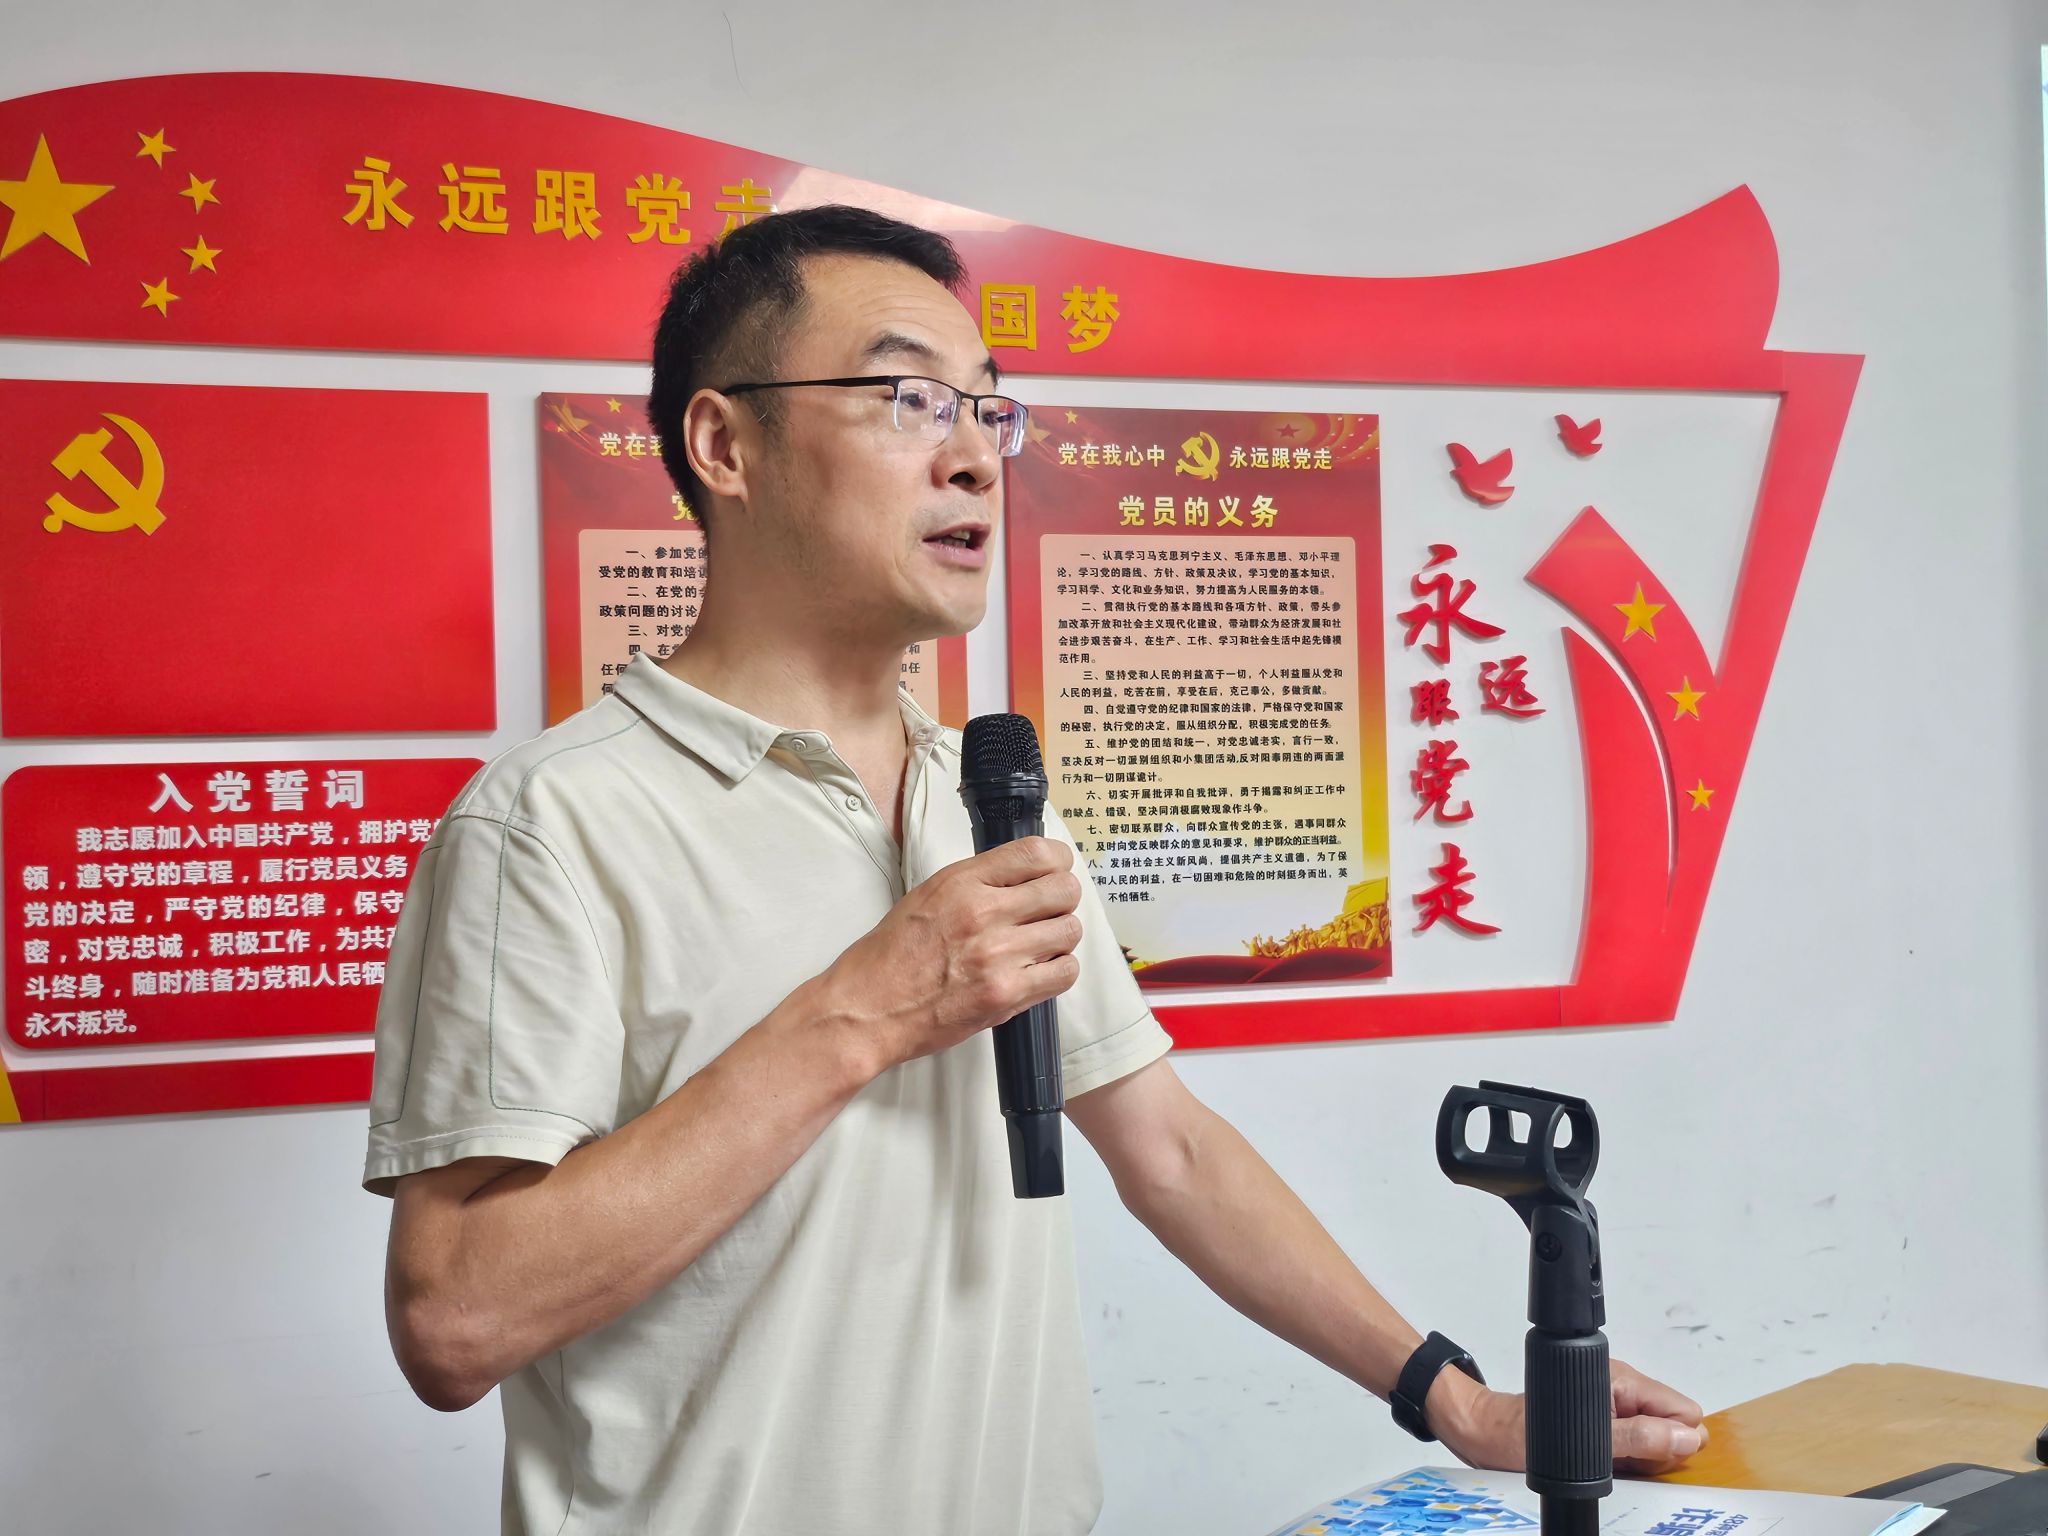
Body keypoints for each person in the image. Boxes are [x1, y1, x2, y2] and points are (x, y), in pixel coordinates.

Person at [362, 204, 1705, 1535]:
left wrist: (1459, 1403)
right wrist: (860, 1015)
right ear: (726, 445)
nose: (972, 460)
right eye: (906, 399)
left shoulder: (988, 797)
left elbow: (1172, 1149)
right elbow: (454, 1320)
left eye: (987, 410)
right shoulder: (551, 825)